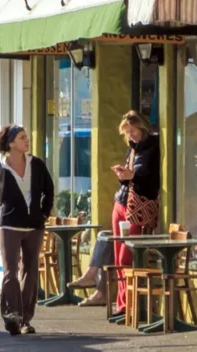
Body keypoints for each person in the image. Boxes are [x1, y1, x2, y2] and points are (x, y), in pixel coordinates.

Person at [70, 111, 160, 310]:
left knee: (126, 256)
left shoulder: (153, 149)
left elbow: (151, 182)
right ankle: (121, 304)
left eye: (133, 130)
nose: (131, 135)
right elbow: (132, 178)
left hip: (137, 207)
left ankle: (128, 305)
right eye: (127, 132)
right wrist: (123, 176)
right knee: (119, 256)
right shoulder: (133, 149)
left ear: (142, 127)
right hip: (122, 202)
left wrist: (132, 176)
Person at [0, 125, 55, 336]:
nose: (27, 141)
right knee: (10, 273)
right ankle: (12, 316)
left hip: (34, 226)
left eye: (26, 137)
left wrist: (43, 213)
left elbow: (49, 190)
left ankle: (26, 319)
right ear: (11, 143)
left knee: (30, 271)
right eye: (22, 137)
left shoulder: (36, 164)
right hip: (9, 225)